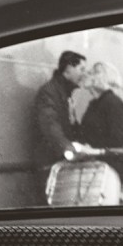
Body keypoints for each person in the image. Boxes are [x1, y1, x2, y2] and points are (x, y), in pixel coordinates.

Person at [33, 50, 88, 204]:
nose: (84, 74)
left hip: (60, 164)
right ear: (68, 68)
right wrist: (70, 150)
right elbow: (50, 126)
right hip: (50, 166)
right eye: (82, 69)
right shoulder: (49, 93)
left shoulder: (63, 93)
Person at [80, 61, 123, 184]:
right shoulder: (95, 104)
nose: (88, 74)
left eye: (95, 72)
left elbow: (119, 140)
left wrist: (92, 149)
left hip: (114, 169)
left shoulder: (113, 103)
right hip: (99, 165)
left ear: (107, 78)